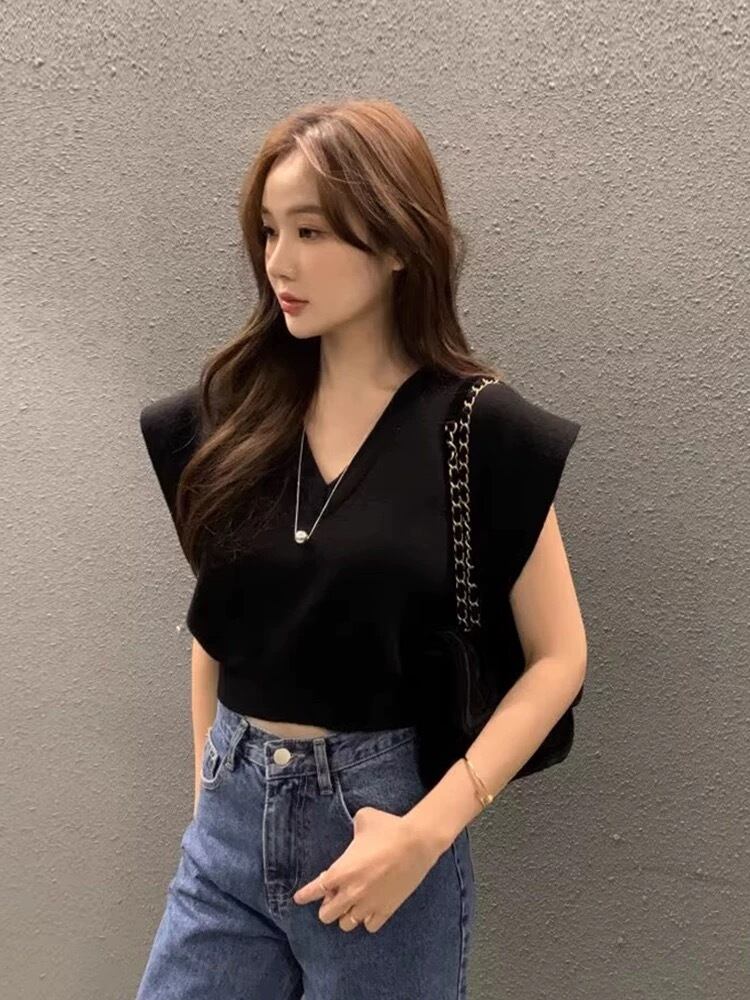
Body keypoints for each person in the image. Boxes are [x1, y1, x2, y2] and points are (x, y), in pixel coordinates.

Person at [135, 98, 587, 1000]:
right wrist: (209, 795)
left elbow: (560, 656)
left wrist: (427, 833)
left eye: (310, 231)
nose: (279, 261)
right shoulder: (230, 416)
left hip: (383, 833)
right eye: (269, 230)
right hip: (228, 823)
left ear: (396, 243)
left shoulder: (476, 431)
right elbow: (219, 626)